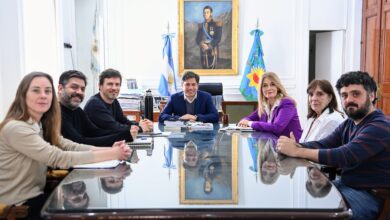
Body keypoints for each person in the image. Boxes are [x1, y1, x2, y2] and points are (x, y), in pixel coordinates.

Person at [0, 72, 131, 219]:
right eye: (36, 90)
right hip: (16, 206)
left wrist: (112, 150)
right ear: (23, 95)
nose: (43, 95)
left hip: (38, 192)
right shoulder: (17, 128)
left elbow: (70, 145)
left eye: (47, 91)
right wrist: (113, 154)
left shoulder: (39, 124)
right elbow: (58, 157)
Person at [277, 71, 390, 219]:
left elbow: (345, 155)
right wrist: (296, 145)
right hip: (345, 184)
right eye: (344, 95)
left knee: (314, 214)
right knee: (297, 203)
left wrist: (297, 152)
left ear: (372, 95)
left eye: (356, 94)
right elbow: (324, 144)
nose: (349, 100)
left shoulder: (380, 125)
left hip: (369, 194)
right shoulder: (350, 123)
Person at [58, 70, 138, 146]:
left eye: (82, 89)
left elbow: (94, 132)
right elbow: (79, 143)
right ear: (60, 89)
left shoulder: (77, 110)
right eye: (74, 87)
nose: (79, 92)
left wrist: (126, 134)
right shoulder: (55, 113)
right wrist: (124, 136)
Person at [84, 68, 153, 133]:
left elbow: (123, 121)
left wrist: (140, 124)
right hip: (94, 145)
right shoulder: (94, 104)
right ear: (100, 86)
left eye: (117, 84)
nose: (114, 88)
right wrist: (140, 128)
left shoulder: (114, 102)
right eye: (110, 84)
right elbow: (114, 127)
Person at [238, 72, 302, 140]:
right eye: (265, 85)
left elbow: (277, 127)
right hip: (273, 145)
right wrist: (244, 122)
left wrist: (249, 123)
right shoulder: (264, 105)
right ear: (261, 89)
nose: (269, 88)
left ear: (278, 87)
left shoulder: (287, 103)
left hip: (291, 147)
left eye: (272, 84)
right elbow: (248, 118)